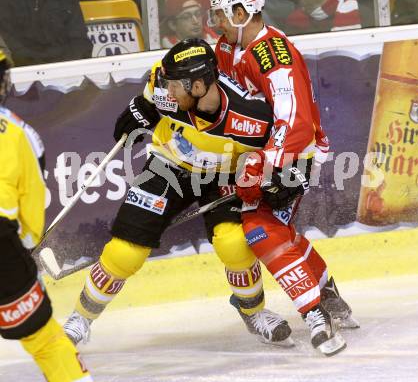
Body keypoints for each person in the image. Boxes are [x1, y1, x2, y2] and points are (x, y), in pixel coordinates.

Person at [63, 38, 295, 348]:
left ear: (199, 86)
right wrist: (139, 111)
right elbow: (148, 101)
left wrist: (280, 176)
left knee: (235, 244)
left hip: (222, 173)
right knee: (125, 251)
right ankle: (81, 317)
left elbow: (281, 153)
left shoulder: (252, 116)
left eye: (175, 86)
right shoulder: (163, 80)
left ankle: (254, 312)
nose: (167, 91)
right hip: (167, 164)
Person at [209, 0, 359, 356]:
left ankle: (316, 316)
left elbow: (295, 123)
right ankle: (327, 296)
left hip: (294, 155)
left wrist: (263, 164)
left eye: (220, 15)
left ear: (241, 13)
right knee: (280, 230)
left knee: (262, 230)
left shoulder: (273, 56)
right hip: (259, 155)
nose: (215, 23)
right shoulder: (228, 46)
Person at [0, 50, 93, 381]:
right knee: (45, 339)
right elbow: (32, 201)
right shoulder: (17, 131)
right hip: (2, 248)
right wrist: (24, 248)